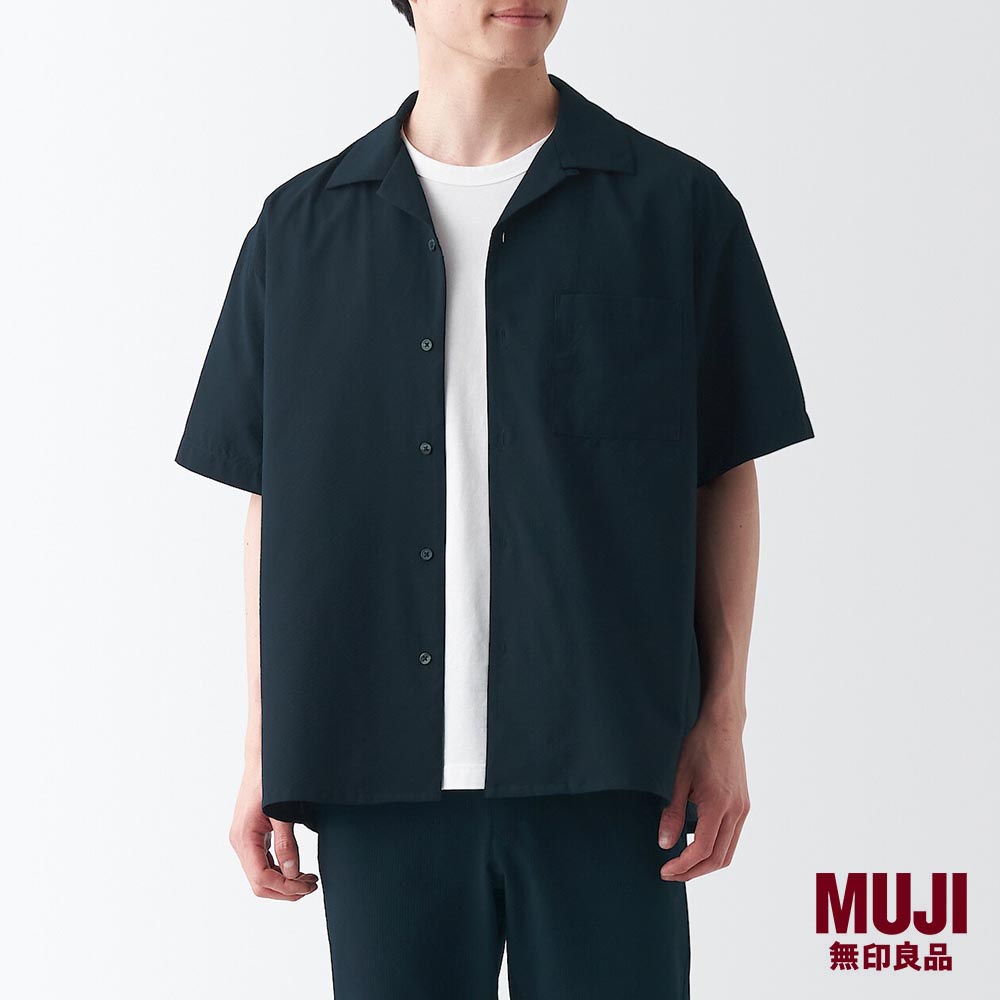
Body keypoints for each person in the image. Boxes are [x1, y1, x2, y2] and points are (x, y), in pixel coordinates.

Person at [175, 2, 814, 996]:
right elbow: (277, 502)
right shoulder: (299, 231)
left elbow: (722, 468)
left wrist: (722, 719)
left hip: (607, 767)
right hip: (375, 775)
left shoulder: (674, 208)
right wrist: (265, 745)